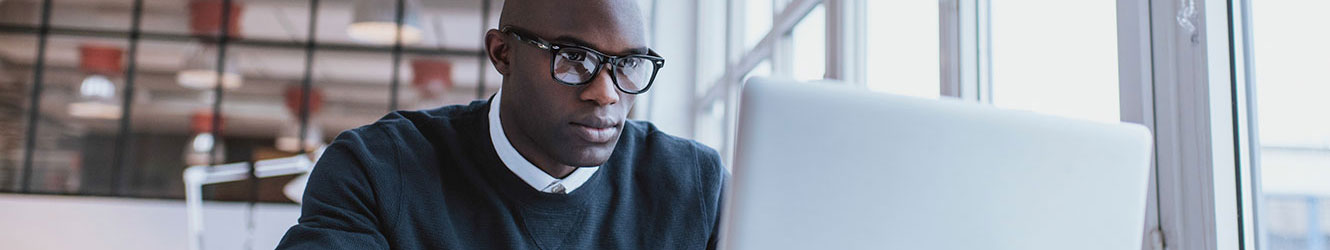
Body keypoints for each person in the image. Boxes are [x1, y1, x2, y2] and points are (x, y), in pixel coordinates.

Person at [275, 0, 727, 249]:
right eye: (573, 58)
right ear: (502, 54)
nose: (607, 92)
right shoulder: (377, 168)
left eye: (628, 64)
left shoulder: (696, 186)